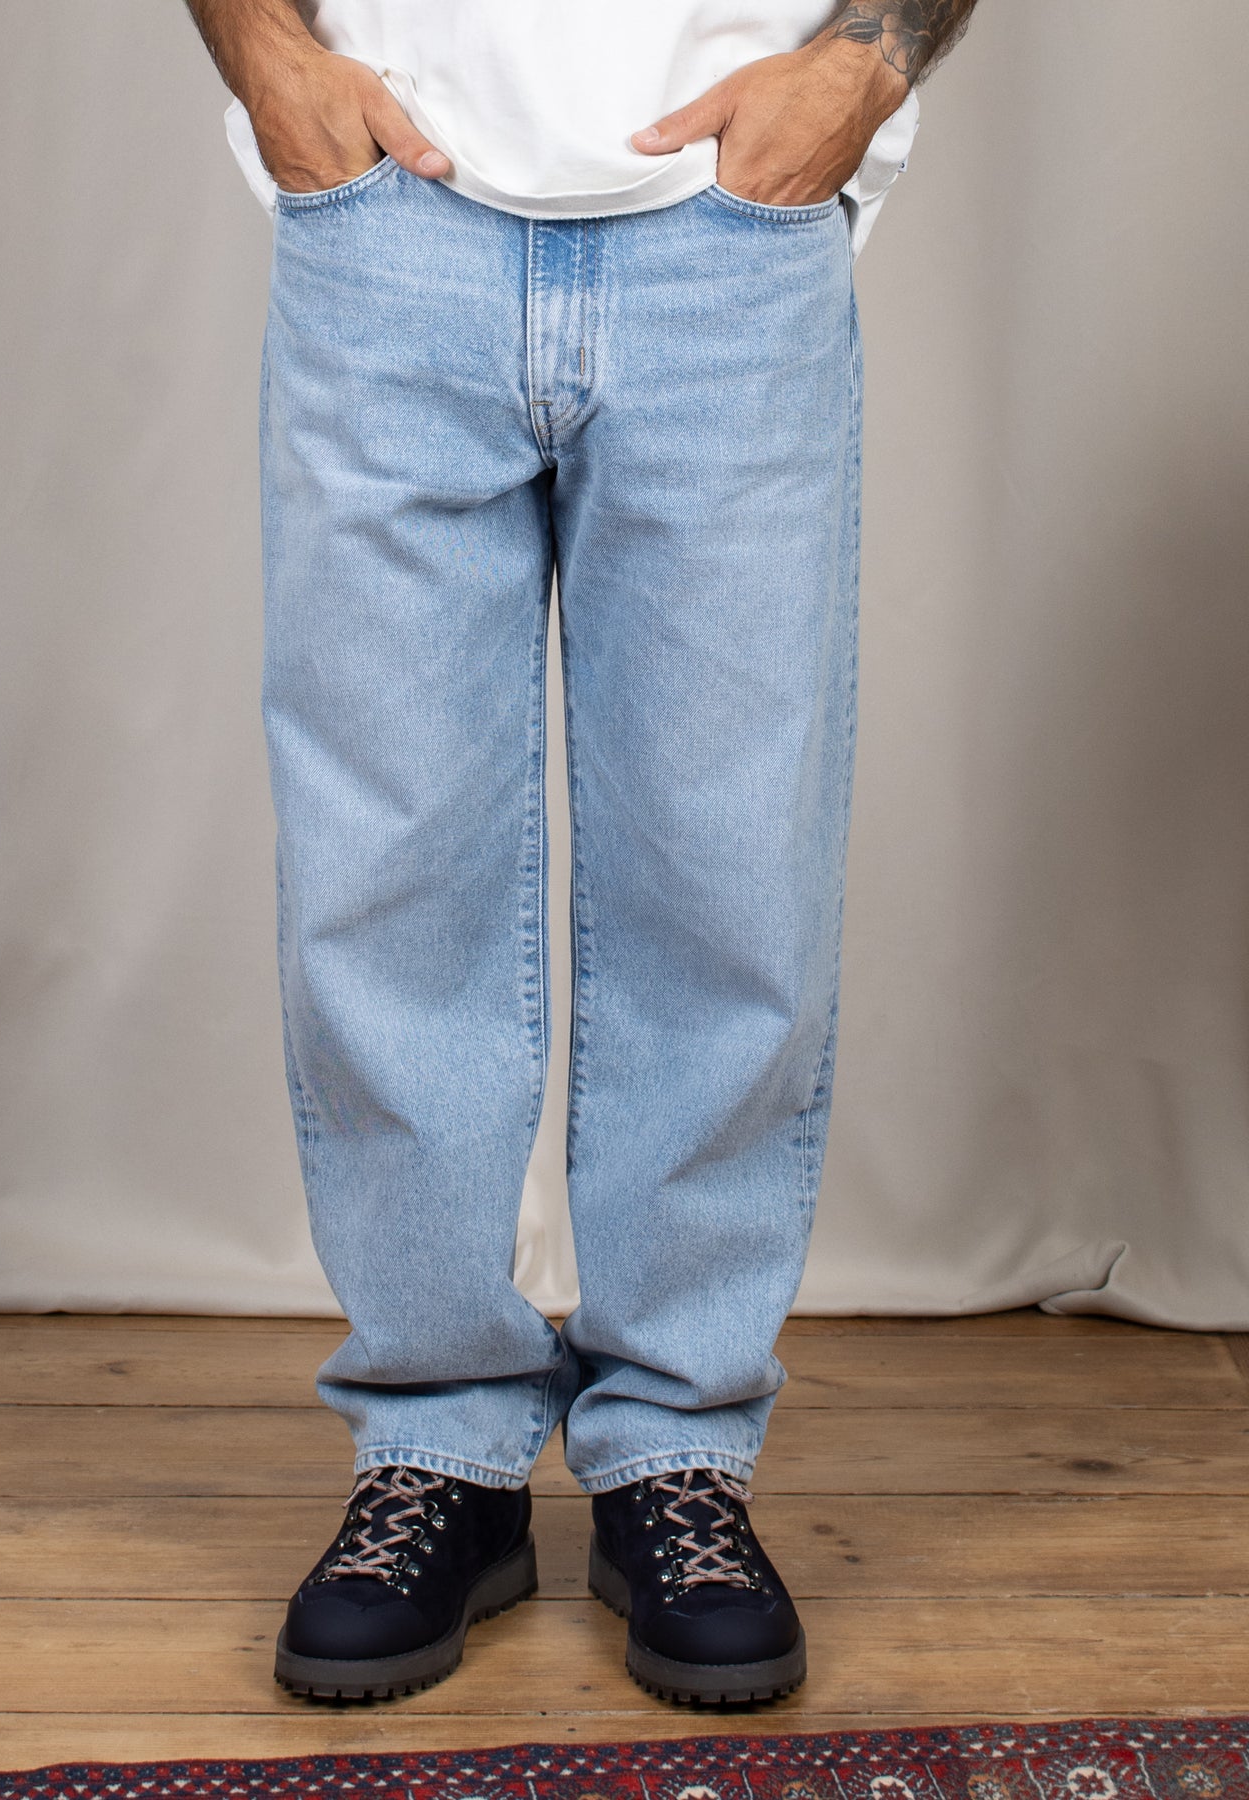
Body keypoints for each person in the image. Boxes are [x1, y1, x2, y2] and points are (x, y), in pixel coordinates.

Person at [184, 0, 978, 1708]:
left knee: (726, 876)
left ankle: (677, 1454)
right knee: (383, 875)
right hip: (394, 219)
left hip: (726, 236)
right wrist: (268, 55)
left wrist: (865, 60)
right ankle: (437, 1452)